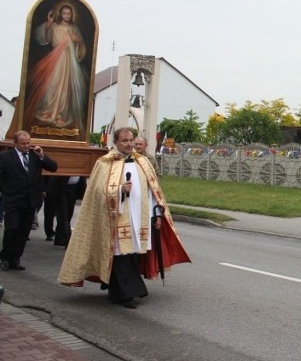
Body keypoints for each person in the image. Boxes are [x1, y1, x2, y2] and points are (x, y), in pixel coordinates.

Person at [58, 127, 190, 308]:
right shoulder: (105, 163)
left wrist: (157, 213)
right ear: (116, 143)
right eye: (124, 141)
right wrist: (119, 190)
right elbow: (97, 192)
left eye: (131, 141)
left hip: (141, 218)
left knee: (135, 254)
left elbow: (153, 192)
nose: (129, 144)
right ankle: (124, 294)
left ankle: (118, 288)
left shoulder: (143, 162)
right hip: (117, 219)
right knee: (120, 255)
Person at [0, 131, 58, 270]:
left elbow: (53, 167)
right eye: (23, 144)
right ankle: (5, 257)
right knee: (12, 228)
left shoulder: (36, 155)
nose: (27, 146)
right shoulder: (5, 157)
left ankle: (15, 259)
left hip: (31, 200)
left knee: (23, 231)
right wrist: (5, 190)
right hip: (13, 199)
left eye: (28, 143)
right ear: (15, 143)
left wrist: (42, 156)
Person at [26, 4, 88, 129]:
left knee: (65, 88)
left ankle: (61, 114)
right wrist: (48, 24)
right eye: (64, 13)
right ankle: (48, 111)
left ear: (71, 15)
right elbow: (43, 38)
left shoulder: (74, 28)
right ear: (61, 14)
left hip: (69, 62)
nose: (66, 16)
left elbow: (82, 47)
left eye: (69, 13)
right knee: (52, 85)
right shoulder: (54, 26)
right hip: (56, 59)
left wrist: (78, 41)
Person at [44, 175, 86, 247]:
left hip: (74, 188)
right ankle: (68, 241)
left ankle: (59, 238)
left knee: (69, 214)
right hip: (60, 187)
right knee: (63, 215)